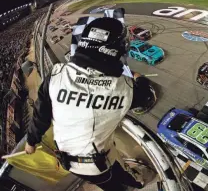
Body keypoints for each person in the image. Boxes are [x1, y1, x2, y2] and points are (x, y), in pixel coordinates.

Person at [25, 17, 155, 190]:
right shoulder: (124, 87)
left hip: (71, 162)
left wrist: (31, 142)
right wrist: (137, 76)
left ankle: (130, 182)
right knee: (118, 180)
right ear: (117, 49)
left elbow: (41, 115)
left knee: (110, 181)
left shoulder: (56, 75)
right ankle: (136, 182)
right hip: (100, 161)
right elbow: (147, 96)